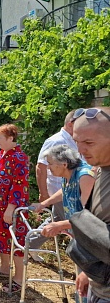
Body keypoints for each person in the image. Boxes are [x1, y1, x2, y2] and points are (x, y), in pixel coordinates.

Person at [72, 107, 110, 302]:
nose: (80, 150)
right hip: (98, 286)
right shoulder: (101, 168)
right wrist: (88, 271)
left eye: (88, 142)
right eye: (77, 141)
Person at [29, 110, 78, 262]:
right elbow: (41, 167)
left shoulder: (74, 139)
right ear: (71, 123)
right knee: (73, 226)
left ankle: (30, 244)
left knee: (56, 219)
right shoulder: (56, 140)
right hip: (59, 188)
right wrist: (43, 194)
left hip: (67, 189)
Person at [0, 124, 29, 293]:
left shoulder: (19, 157)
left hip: (10, 208)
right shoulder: (1, 154)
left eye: (0, 138)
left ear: (11, 139)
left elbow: (19, 185)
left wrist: (10, 208)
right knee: (2, 240)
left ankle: (19, 278)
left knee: (15, 241)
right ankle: (4, 268)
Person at [30, 144, 95, 236]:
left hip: (90, 236)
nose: (48, 167)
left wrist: (60, 225)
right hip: (79, 233)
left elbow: (89, 215)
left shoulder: (84, 177)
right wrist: (43, 204)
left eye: (50, 163)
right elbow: (66, 190)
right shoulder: (68, 172)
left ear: (64, 164)